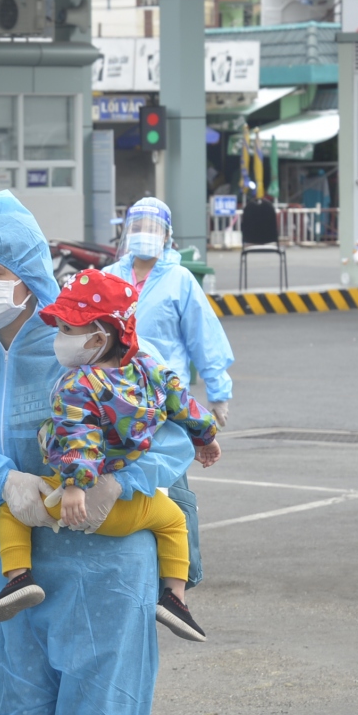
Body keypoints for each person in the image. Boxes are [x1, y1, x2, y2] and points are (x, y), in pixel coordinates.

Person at [0, 191, 195, 715]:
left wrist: (120, 482)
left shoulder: (91, 342)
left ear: (29, 272)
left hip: (104, 573)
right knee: (11, 714)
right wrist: (0, 480)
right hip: (10, 577)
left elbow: (174, 430)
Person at [0, 269, 220, 643]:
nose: (59, 339)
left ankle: (18, 578)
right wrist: (205, 437)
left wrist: (76, 487)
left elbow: (80, 436)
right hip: (130, 504)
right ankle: (175, 597)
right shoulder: (148, 370)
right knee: (174, 521)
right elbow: (183, 402)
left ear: (98, 336)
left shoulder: (78, 385)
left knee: (9, 510)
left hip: (72, 501)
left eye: (67, 330)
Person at [103, 196, 232, 591]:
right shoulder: (109, 276)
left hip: (164, 401)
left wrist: (218, 392)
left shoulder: (180, 281)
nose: (144, 236)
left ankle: (180, 575)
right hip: (110, 397)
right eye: (137, 227)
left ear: (168, 236)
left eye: (153, 229)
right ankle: (127, 560)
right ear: (126, 232)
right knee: (119, 476)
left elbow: (203, 337)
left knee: (170, 477)